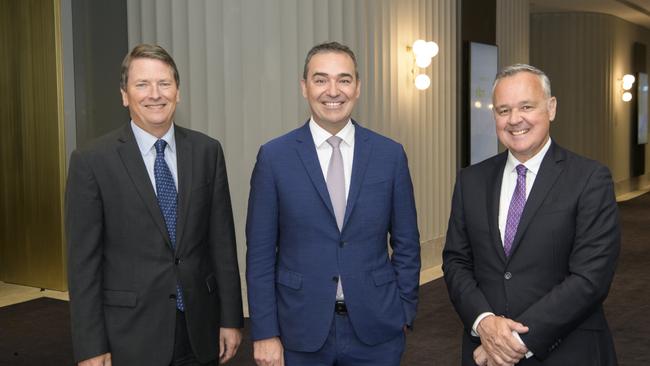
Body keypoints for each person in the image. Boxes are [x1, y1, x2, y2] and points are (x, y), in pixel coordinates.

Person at [65, 44, 243, 366]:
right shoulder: (91, 162)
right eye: (142, 84)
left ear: (178, 92)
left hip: (199, 329)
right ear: (124, 94)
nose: (155, 94)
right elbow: (83, 265)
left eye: (164, 83)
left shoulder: (207, 151)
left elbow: (222, 244)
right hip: (129, 336)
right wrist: (90, 345)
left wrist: (231, 318)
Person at [245, 41, 421, 366]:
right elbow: (259, 255)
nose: (332, 90)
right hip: (299, 330)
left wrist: (404, 308)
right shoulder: (274, 158)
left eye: (343, 79)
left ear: (357, 87)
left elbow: (407, 243)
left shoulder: (389, 155)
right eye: (320, 79)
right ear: (304, 87)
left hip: (377, 330)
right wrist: (265, 332)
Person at [443, 63, 620, 366]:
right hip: (485, 351)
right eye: (503, 110)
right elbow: (456, 260)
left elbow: (590, 277)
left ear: (551, 108)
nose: (515, 120)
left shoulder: (589, 178)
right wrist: (484, 322)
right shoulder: (471, 180)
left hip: (568, 351)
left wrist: (512, 342)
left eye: (526, 106)